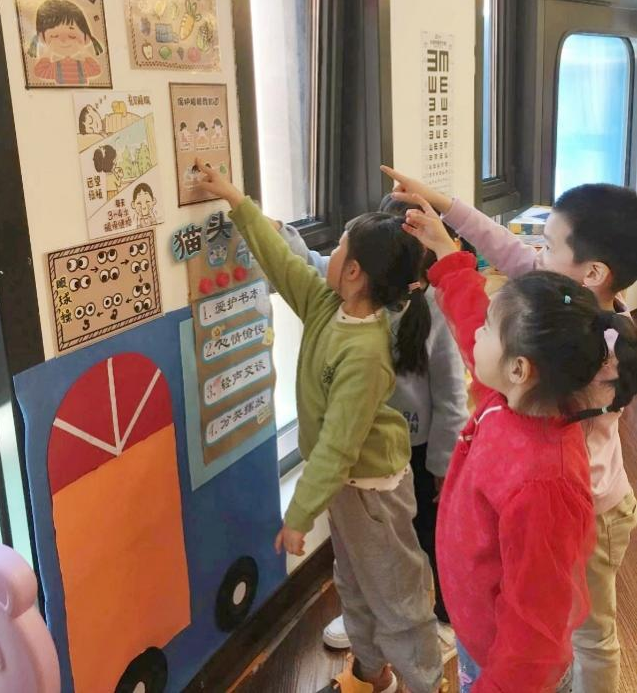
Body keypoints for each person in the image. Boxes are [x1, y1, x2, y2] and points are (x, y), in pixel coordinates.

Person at [383, 167, 637, 693]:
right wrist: (445, 244)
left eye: (488, 330)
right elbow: (487, 290)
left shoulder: (546, 466)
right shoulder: (529, 376)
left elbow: (534, 636)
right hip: (493, 621)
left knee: (587, 634)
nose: (474, 335)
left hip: (589, 514)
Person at [196, 163, 443, 693]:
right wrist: (237, 200)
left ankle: (425, 681)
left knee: (396, 599)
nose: (326, 254)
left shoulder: (366, 353)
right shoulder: (328, 305)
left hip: (372, 491)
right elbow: (282, 263)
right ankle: (371, 675)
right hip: (349, 488)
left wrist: (299, 514)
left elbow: (336, 446)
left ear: (354, 272)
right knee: (353, 584)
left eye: (338, 248)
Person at [279, 193, 469, 652]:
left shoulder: (434, 310)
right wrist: (277, 229)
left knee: (423, 537)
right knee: (364, 547)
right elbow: (311, 264)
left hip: (417, 452)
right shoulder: (355, 296)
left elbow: (451, 395)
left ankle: (442, 615)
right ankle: (364, 618)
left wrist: (444, 464)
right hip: (366, 452)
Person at [30, 0, 104, 86]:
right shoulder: (56, 67)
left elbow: (96, 70)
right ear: (42, 38)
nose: (63, 40)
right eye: (54, 36)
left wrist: (83, 50)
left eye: (72, 36)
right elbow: (40, 71)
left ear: (86, 38)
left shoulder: (81, 66)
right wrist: (49, 50)